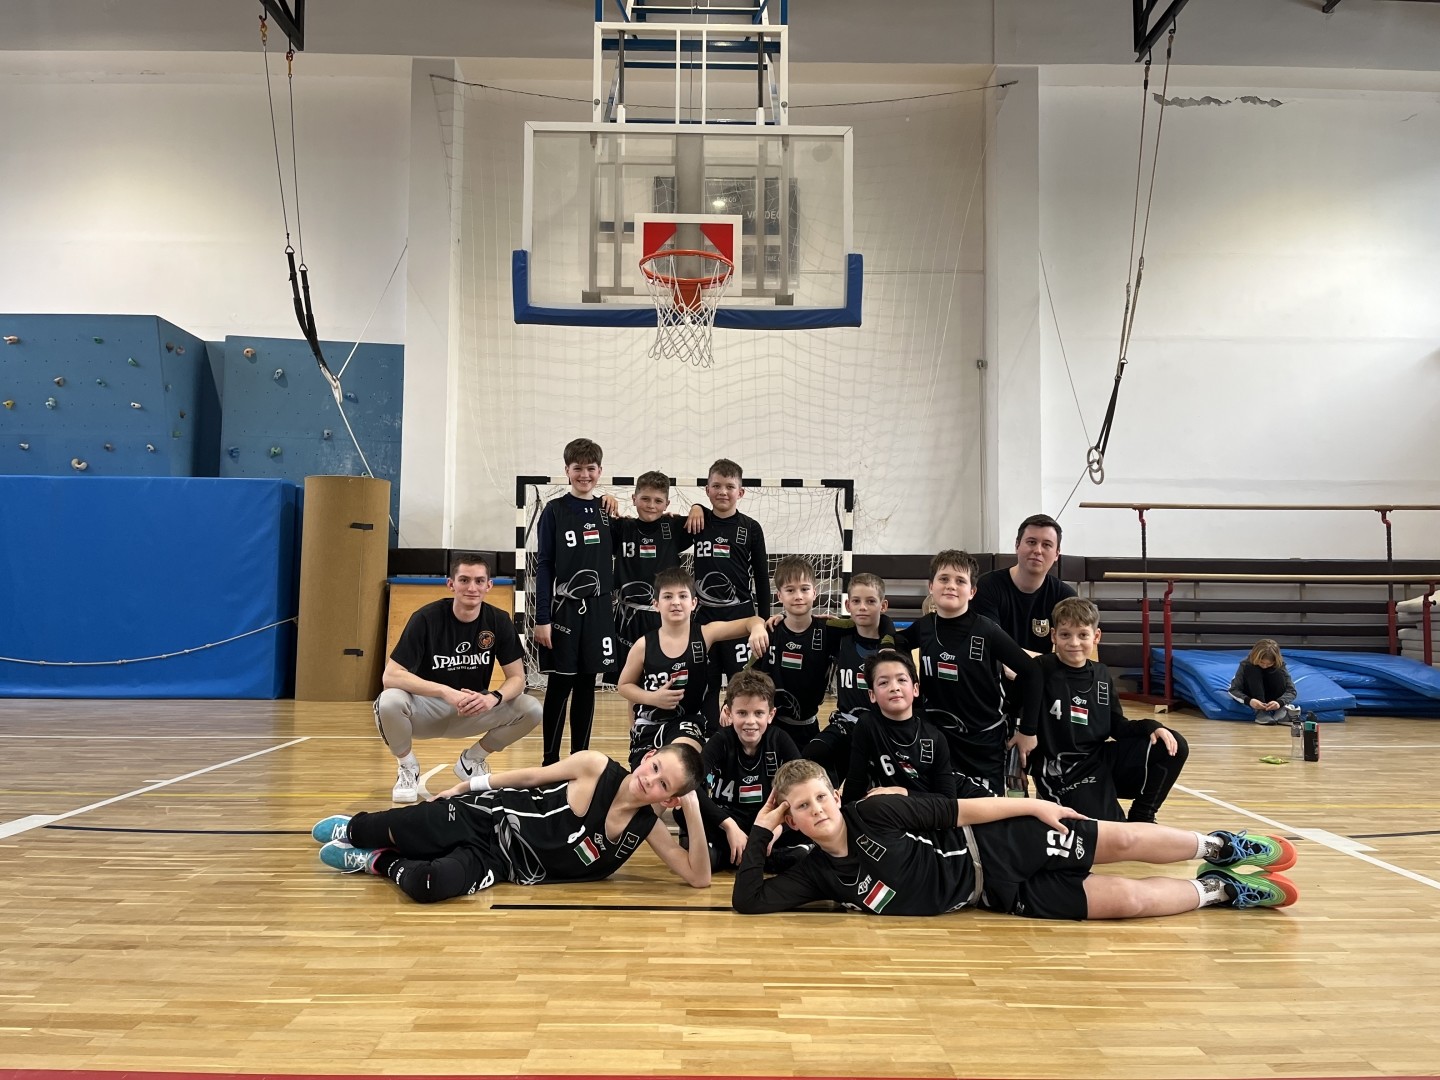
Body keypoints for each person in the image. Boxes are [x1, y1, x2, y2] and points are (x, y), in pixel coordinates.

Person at [732, 758, 1300, 918]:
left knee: (1123, 843)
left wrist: (1034, 805)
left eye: (821, 796)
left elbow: (963, 809)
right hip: (1000, 896)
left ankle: (1218, 846)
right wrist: (760, 830)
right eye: (801, 807)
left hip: (1003, 843)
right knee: (1126, 900)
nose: (817, 809)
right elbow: (748, 900)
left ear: (836, 795)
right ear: (792, 820)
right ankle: (1221, 892)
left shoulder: (875, 812)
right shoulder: (819, 874)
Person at [310, 744, 710, 902]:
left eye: (664, 785)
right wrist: (465, 786)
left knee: (429, 885)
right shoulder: (595, 766)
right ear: (648, 757)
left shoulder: (646, 829)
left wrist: (692, 808)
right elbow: (531, 777)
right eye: (655, 767)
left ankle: (377, 861)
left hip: (499, 863)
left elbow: (698, 878)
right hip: (483, 815)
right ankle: (353, 829)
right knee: (389, 828)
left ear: (668, 799)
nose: (650, 780)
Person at [376, 552, 541, 803]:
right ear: (451, 584)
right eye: (464, 580)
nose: (472, 588)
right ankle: (408, 767)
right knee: (389, 701)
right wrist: (445, 692)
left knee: (531, 708)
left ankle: (472, 761)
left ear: (489, 586)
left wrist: (493, 698)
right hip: (426, 711)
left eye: (479, 581)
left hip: (473, 711)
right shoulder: (426, 618)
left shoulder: (498, 620)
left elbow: (518, 679)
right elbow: (391, 675)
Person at [889, 550, 1042, 795]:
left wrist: (1028, 731)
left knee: (987, 810)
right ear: (931, 586)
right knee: (941, 807)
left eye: (960, 580)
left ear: (972, 591)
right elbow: (897, 641)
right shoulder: (924, 627)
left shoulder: (988, 630)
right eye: (944, 579)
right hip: (937, 738)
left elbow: (1033, 672)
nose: (951, 585)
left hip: (983, 742)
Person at [1033, 597, 1189, 823]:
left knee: (1172, 745)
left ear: (1096, 636)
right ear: (1054, 636)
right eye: (1066, 635)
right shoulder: (1041, 669)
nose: (1074, 643)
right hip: (1063, 770)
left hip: (1100, 760)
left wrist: (1152, 726)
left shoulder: (1102, 674)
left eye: (1083, 635)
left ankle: (1143, 816)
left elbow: (1117, 725)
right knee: (1110, 832)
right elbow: (1018, 713)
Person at [616, 567, 768, 769]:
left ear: (694, 603)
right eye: (668, 596)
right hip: (649, 726)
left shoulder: (705, 634)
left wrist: (757, 628)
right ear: (656, 604)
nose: (676, 602)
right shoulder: (643, 645)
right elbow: (624, 685)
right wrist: (652, 698)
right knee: (647, 780)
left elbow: (751, 620)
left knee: (680, 761)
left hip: (687, 722)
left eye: (682, 596)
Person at [533, 437, 620, 764]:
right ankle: (549, 761)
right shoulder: (554, 511)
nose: (585, 475)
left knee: (587, 684)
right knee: (560, 682)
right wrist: (542, 618)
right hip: (564, 609)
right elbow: (544, 565)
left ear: (600, 471)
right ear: (567, 470)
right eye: (578, 468)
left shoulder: (607, 512)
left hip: (599, 609)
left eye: (591, 469)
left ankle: (578, 760)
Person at [686, 458, 769, 732]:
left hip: (740, 620)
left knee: (742, 685)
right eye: (717, 486)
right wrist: (695, 507)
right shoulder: (697, 523)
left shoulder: (751, 528)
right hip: (705, 622)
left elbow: (761, 578)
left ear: (740, 492)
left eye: (730, 487)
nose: (723, 492)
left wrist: (764, 621)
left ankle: (741, 738)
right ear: (707, 490)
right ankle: (711, 738)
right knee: (706, 685)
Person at [697, 669, 807, 872]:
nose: (750, 721)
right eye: (742, 713)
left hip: (768, 819)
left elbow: (804, 785)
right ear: (729, 713)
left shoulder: (780, 739)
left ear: (771, 715)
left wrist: (777, 828)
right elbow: (692, 783)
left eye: (758, 713)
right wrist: (729, 826)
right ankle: (767, 858)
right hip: (728, 818)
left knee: (808, 815)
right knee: (683, 811)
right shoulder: (720, 741)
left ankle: (730, 856)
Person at [800, 572, 898, 787]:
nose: (862, 607)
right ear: (847, 605)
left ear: (883, 605)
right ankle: (829, 798)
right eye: (856, 601)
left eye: (870, 601)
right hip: (846, 722)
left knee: (865, 786)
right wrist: (779, 619)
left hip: (881, 728)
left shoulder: (893, 647)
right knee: (813, 753)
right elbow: (802, 625)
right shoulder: (840, 637)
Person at [748, 556, 845, 747]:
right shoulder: (770, 632)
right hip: (772, 727)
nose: (798, 596)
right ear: (779, 596)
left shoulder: (829, 630)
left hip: (809, 726)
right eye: (790, 590)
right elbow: (748, 674)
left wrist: (839, 621)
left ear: (815, 593)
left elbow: (869, 625)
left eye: (804, 589)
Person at [609, 470, 694, 679]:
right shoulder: (622, 527)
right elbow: (591, 518)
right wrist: (604, 499)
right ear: (634, 499)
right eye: (645, 499)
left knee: (666, 676)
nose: (651, 505)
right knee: (628, 679)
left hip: (664, 616)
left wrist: (698, 507)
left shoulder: (674, 527)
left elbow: (711, 519)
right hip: (628, 617)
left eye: (658, 501)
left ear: (667, 504)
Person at [845, 650, 957, 800]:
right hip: (891, 809)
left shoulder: (935, 737)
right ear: (872, 695)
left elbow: (948, 800)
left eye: (902, 680)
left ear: (915, 689)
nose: (894, 687)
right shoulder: (867, 725)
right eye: (883, 682)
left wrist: (902, 792)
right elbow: (855, 783)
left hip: (930, 808)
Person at [972, 514, 1077, 656]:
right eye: (1031, 542)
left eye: (1046, 545)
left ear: (1057, 554)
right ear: (1017, 546)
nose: (1038, 550)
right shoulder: (987, 587)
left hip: (1041, 669)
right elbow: (989, 645)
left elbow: (1074, 652)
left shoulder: (1066, 598)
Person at [1228, 639, 1301, 725]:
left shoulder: (1280, 665)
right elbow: (1234, 689)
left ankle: (1280, 710)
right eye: (1261, 662)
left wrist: (1280, 702)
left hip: (1273, 698)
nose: (1264, 666)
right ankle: (1261, 712)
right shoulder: (1245, 664)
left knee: (1277, 672)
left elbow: (1291, 691)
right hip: (1254, 695)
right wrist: (1249, 701)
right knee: (1252, 669)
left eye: (1269, 664)